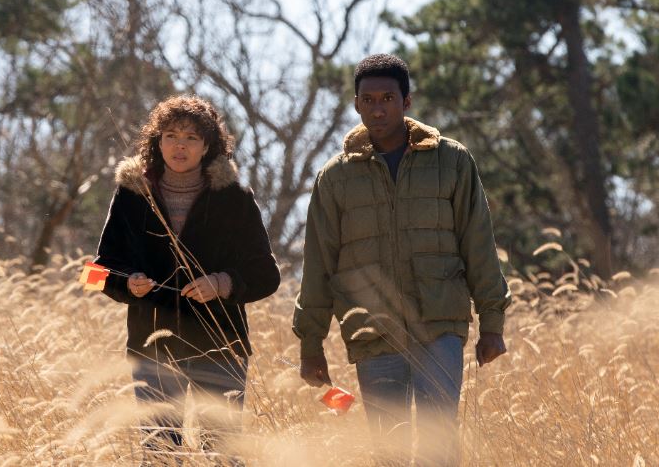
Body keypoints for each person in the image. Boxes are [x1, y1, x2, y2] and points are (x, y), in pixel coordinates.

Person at [292, 54, 511, 465]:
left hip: (439, 326)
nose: (378, 109)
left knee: (437, 446)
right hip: (373, 332)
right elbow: (319, 264)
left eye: (388, 98)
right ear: (356, 104)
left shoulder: (452, 161)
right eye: (368, 100)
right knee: (388, 450)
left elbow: (478, 244)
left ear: (406, 101)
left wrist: (492, 324)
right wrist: (311, 344)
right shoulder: (335, 178)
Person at [94, 94, 280, 462]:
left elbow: (267, 275)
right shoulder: (132, 195)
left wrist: (222, 284)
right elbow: (95, 272)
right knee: (161, 455)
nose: (180, 146)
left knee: (222, 455)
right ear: (157, 141)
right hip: (153, 351)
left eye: (191, 137)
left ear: (208, 146)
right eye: (171, 135)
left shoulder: (235, 199)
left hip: (220, 347)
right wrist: (127, 282)